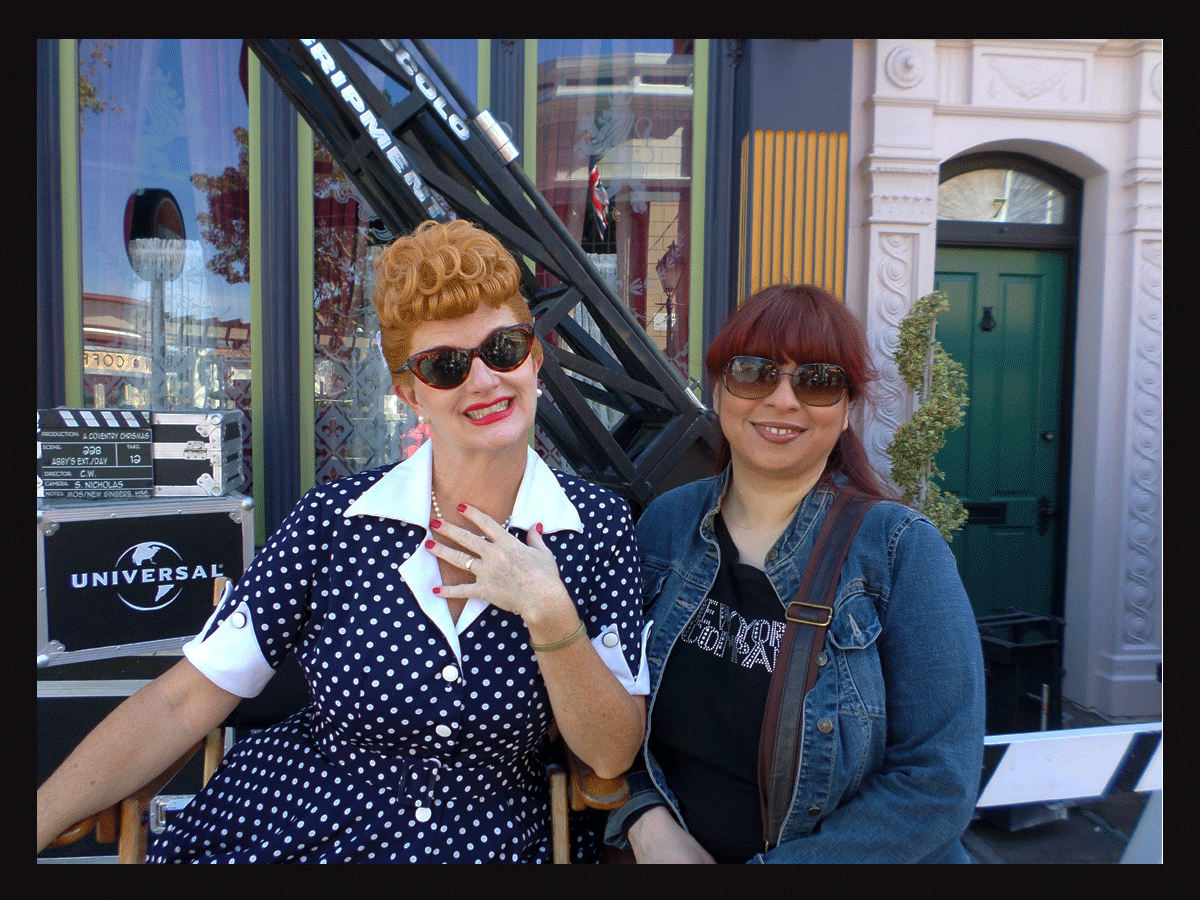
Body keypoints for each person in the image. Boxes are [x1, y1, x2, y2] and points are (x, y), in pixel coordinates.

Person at [37, 219, 648, 863]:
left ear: (535, 357)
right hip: (291, 823)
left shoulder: (597, 529)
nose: (484, 381)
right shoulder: (334, 520)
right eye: (446, 365)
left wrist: (549, 611)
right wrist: (39, 815)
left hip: (478, 838)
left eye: (503, 348)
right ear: (410, 392)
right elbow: (184, 699)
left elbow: (609, 753)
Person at [606, 284, 985, 863]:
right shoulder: (666, 525)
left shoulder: (900, 552)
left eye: (817, 381)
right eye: (755, 372)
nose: (783, 400)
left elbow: (937, 784)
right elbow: (611, 707)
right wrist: (645, 819)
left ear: (847, 407)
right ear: (718, 387)